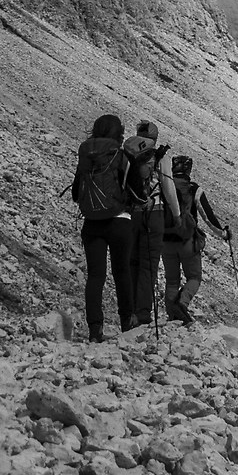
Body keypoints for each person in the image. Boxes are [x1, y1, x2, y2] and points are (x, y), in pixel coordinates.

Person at [70, 114, 138, 341]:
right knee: (122, 272)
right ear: (119, 133)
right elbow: (137, 191)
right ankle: (127, 323)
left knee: (96, 276)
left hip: (92, 224)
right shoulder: (122, 156)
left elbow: (75, 193)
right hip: (120, 220)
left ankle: (95, 328)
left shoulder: (87, 157)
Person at [159, 155, 228, 325]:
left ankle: (172, 316)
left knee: (172, 280)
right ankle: (182, 304)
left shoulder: (162, 187)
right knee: (194, 277)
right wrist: (224, 234)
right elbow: (208, 216)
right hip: (187, 241)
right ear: (189, 170)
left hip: (165, 241)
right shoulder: (193, 189)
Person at [125, 120, 172, 325]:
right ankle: (143, 313)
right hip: (155, 212)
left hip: (131, 213)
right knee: (148, 265)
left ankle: (129, 311)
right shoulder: (160, 157)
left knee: (131, 262)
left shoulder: (129, 152)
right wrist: (177, 216)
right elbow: (168, 188)